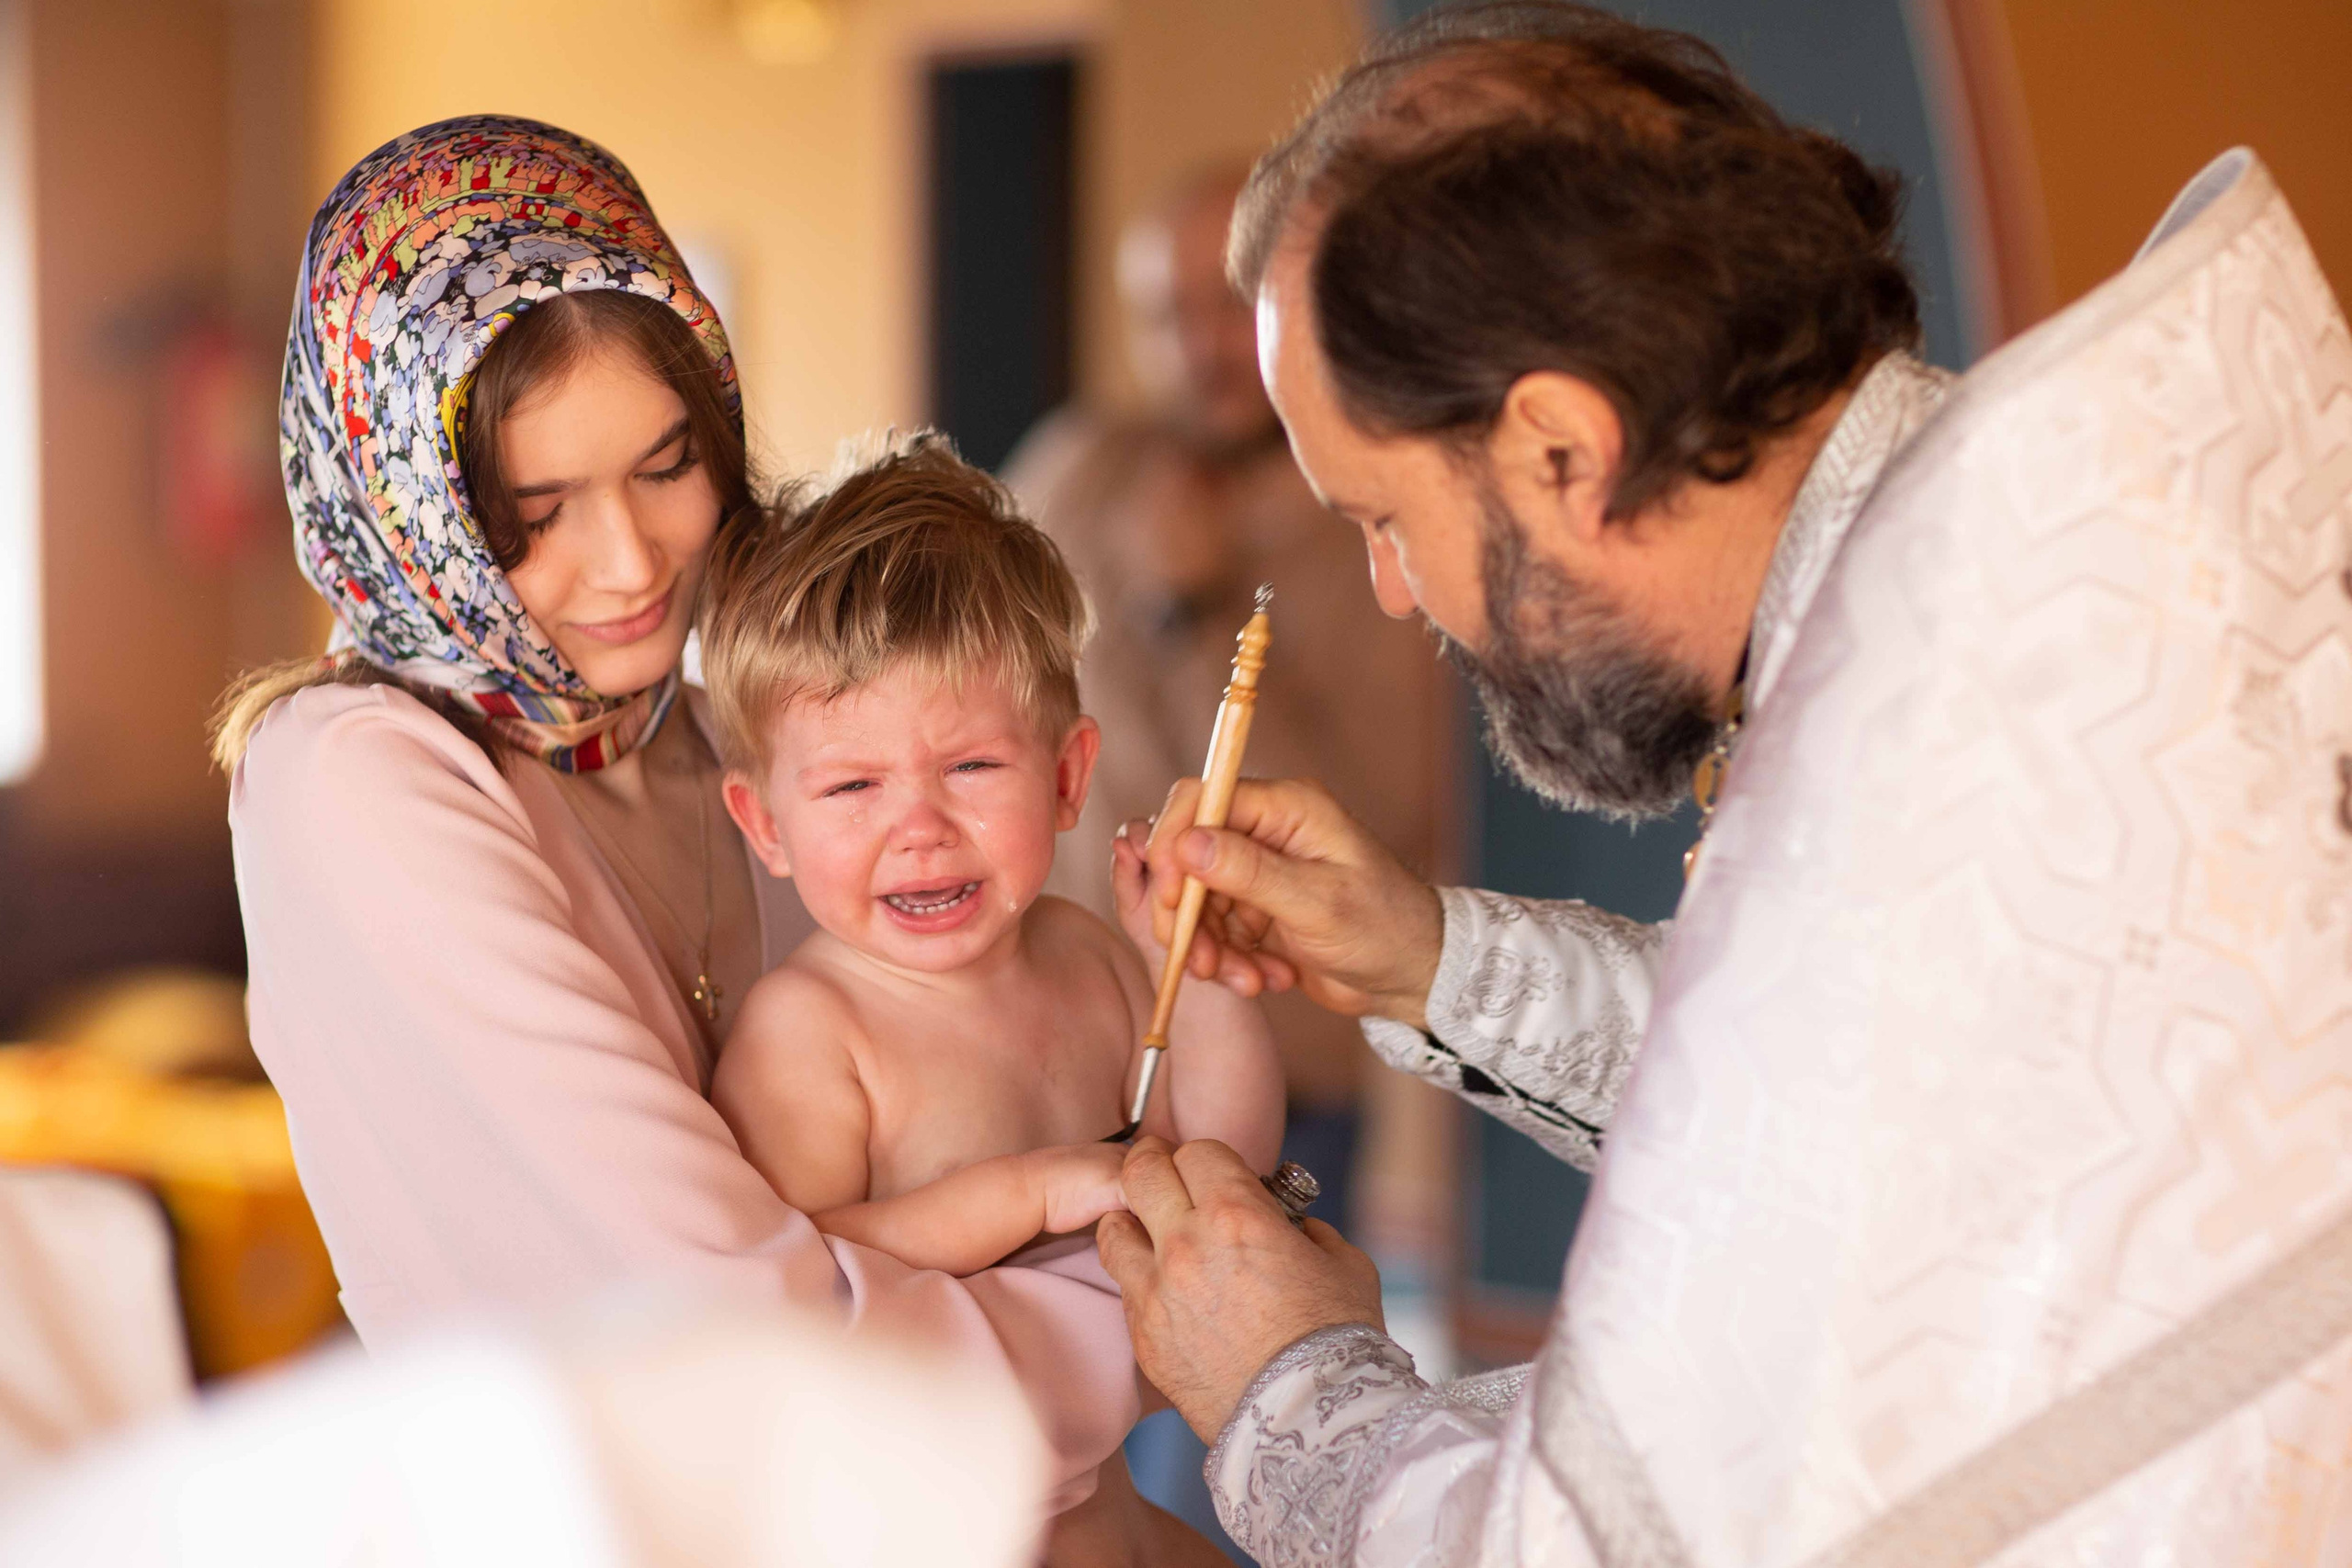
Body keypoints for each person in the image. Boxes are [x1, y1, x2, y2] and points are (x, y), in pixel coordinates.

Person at [1094, 6, 2352, 1566]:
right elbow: (1859, 1119)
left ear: (1559, 447)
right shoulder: (2015, 591)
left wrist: (1288, 1387)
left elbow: (1618, 1542)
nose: (1399, 593)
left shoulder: (1910, 752)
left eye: (1386, 519)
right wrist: (1431, 961)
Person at [212, 115, 1185, 1556]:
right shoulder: (357, 781)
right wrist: (1179, 1308)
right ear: (410, 512)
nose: (630, 564)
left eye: (669, 467)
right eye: (531, 514)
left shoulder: (708, 727)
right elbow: (742, 1330)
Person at [1006, 164, 1445, 1223]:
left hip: (1278, 1077)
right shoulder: (1082, 466)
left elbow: (1386, 816)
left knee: (1248, 1380)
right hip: (1054, 1041)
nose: (1201, 346)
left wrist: (1198, 609)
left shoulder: (1378, 522)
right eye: (1167, 316)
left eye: (1228, 305)